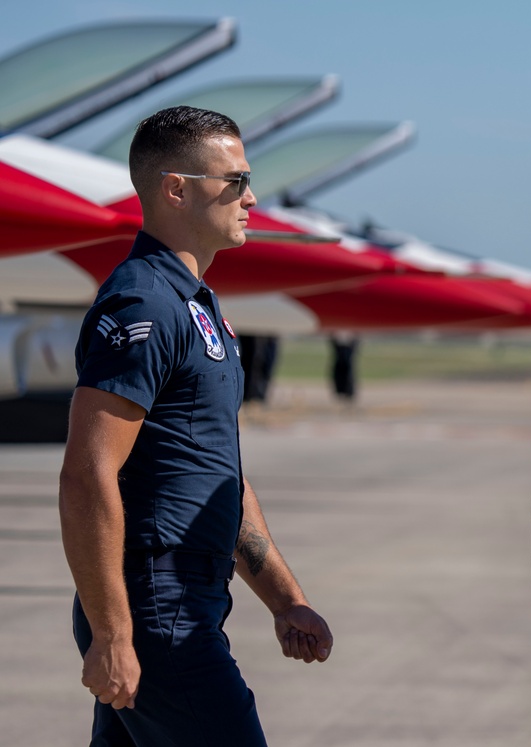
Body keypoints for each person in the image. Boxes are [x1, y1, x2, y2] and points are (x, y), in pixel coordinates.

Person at [58, 106, 333, 746]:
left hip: (183, 603)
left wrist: (285, 598)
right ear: (176, 188)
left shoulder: (195, 305)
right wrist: (113, 634)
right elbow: (86, 472)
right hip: (157, 612)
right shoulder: (144, 303)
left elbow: (216, 475)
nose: (251, 197)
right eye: (234, 181)